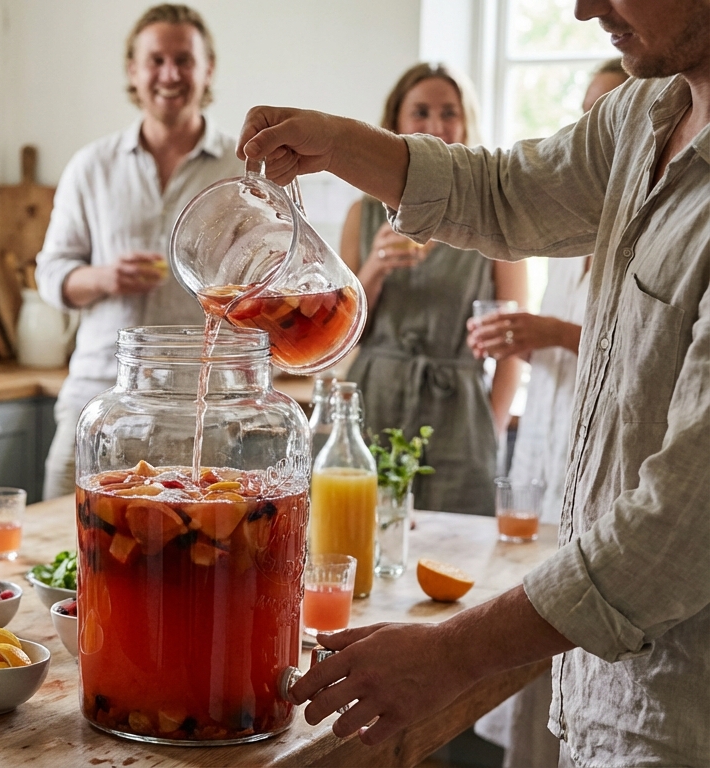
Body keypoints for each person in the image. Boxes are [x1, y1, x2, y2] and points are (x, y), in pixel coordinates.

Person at [239, 0, 710, 762]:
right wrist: (334, 140)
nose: (584, 7)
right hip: (605, 696)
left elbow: (683, 533)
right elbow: (504, 193)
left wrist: (449, 653)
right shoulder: (646, 112)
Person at [471, 57, 628, 768]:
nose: (597, 131)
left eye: (612, 112)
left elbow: (644, 356)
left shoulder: (654, 227)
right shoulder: (571, 238)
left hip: (612, 473)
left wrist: (554, 335)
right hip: (553, 447)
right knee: (538, 664)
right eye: (588, 115)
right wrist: (535, 340)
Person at [35, 3, 243, 499]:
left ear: (207, 68)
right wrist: (105, 277)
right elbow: (51, 275)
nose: (169, 74)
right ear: (133, 69)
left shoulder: (241, 170)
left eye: (184, 60)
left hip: (203, 408)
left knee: (199, 555)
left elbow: (268, 279)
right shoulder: (92, 166)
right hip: (100, 397)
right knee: (63, 542)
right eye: (156, 60)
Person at [340, 64, 526, 516]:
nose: (435, 126)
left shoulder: (495, 216)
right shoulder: (362, 214)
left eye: (449, 113)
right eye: (420, 112)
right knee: (365, 536)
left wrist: (491, 427)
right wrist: (374, 269)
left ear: (466, 123)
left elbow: (513, 343)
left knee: (458, 554)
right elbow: (339, 331)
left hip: (459, 417)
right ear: (395, 124)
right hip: (375, 402)